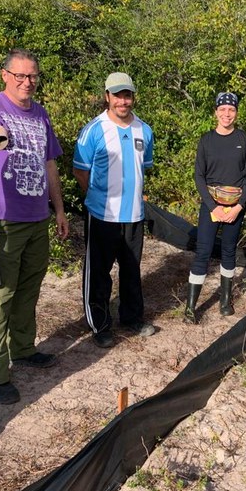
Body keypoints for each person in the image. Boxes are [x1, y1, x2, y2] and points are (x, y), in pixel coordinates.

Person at [0, 49, 69, 406]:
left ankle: (23, 349)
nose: (27, 82)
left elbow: (50, 164)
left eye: (33, 76)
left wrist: (59, 210)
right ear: (4, 74)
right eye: (20, 75)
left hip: (37, 218)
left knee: (28, 288)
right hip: (2, 223)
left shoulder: (40, 114)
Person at [73, 72, 155, 349]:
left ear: (133, 97)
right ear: (107, 96)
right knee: (99, 272)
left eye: (127, 95)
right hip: (102, 215)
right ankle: (100, 324)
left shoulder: (144, 130)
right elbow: (80, 171)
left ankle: (132, 318)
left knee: (131, 269)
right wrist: (97, 197)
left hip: (134, 214)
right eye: (117, 95)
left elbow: (142, 169)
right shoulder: (93, 130)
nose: (123, 101)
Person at [185, 92, 246, 322]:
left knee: (228, 251)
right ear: (216, 112)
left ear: (236, 113)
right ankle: (190, 307)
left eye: (231, 110)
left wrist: (239, 206)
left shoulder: (244, 140)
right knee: (203, 253)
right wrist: (212, 207)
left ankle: (225, 301)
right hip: (211, 206)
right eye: (223, 109)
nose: (227, 114)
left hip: (235, 207)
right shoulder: (206, 140)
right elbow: (198, 176)